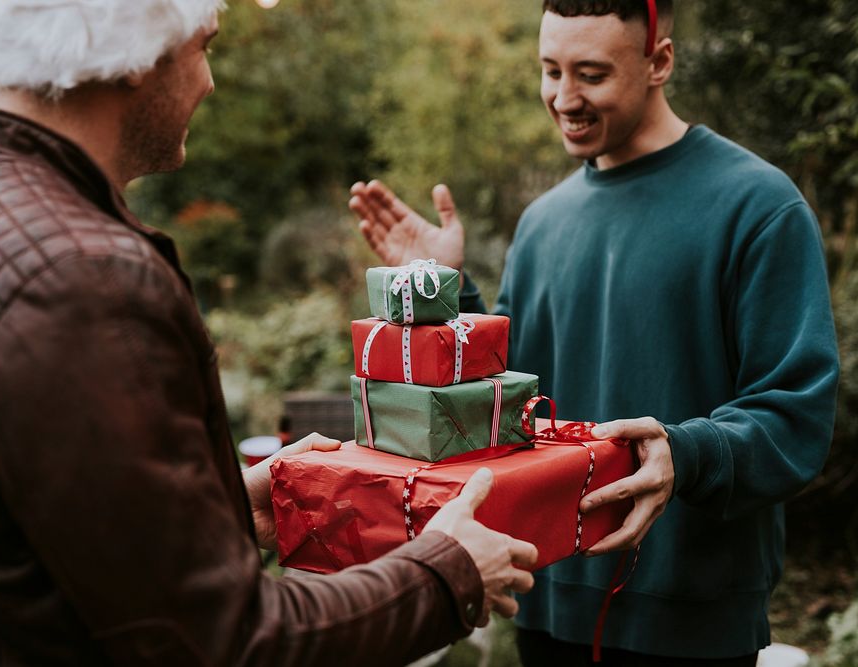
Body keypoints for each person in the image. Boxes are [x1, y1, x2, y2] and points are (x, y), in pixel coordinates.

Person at [0, 1, 539, 665]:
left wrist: (222, 514)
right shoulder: (82, 281)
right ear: (131, 46)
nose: (209, 80)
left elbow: (11, 540)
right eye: (204, 45)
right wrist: (446, 573)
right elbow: (222, 641)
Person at [350, 0, 839, 664]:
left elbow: (797, 414)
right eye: (550, 71)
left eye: (591, 74)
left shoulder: (758, 206)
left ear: (658, 61)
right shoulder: (543, 222)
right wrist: (448, 293)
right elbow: (509, 405)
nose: (563, 98)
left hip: (691, 622)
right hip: (546, 600)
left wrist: (685, 452)